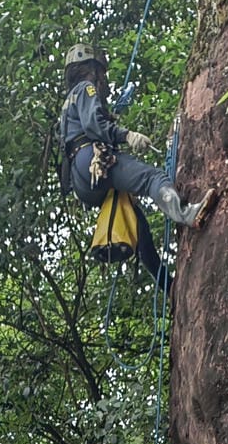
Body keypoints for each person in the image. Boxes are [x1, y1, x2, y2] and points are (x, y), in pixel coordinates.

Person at [55, 43, 218, 272]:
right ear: (92, 69)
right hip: (90, 158)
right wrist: (126, 135)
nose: (104, 79)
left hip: (81, 177)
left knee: (138, 224)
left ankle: (167, 285)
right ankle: (186, 213)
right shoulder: (85, 88)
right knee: (152, 178)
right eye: (102, 73)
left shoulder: (68, 103)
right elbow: (94, 126)